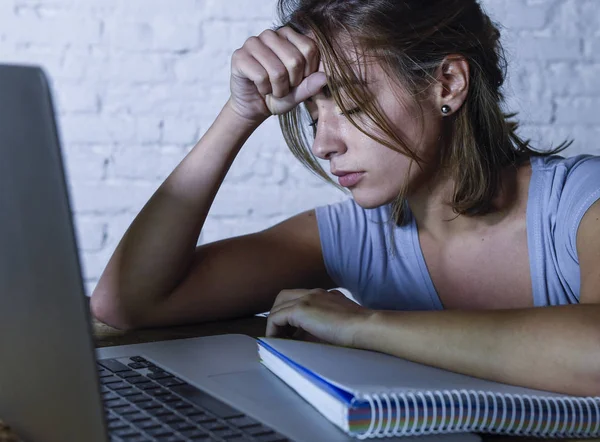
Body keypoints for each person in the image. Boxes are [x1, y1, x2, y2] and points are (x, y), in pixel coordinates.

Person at [91, 0, 600, 397]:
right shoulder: (357, 237)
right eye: (313, 115)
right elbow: (126, 302)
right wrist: (240, 113)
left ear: (447, 82)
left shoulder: (581, 202)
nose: (322, 144)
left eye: (352, 104)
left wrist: (364, 326)